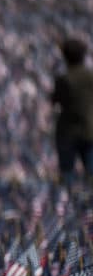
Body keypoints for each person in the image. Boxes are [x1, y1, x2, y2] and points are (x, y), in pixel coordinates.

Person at [51, 37, 93, 183]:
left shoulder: (64, 79)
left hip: (68, 132)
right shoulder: (90, 76)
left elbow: (55, 100)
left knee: (67, 172)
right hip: (89, 129)